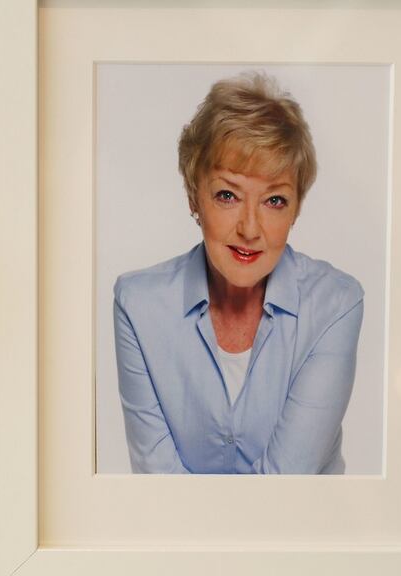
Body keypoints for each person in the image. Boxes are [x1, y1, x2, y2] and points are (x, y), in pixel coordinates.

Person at [114, 72, 364, 474]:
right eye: (227, 195)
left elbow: (287, 482)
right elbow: (158, 487)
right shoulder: (138, 306)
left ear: (296, 209)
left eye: (275, 200)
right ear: (194, 196)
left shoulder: (336, 305)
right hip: (176, 536)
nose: (250, 228)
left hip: (307, 535)